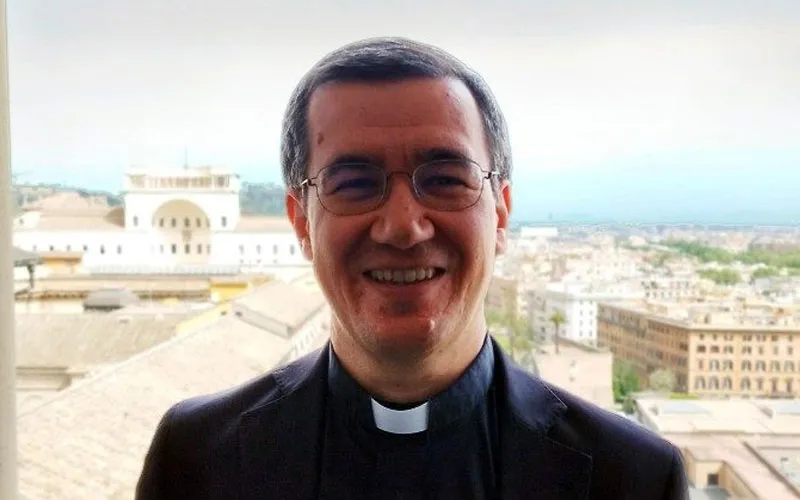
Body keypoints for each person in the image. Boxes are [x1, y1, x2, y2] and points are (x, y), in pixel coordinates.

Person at [136, 37, 689, 500]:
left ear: (500, 214)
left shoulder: (633, 478)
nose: (403, 227)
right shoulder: (197, 459)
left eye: (445, 179)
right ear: (301, 222)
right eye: (354, 184)